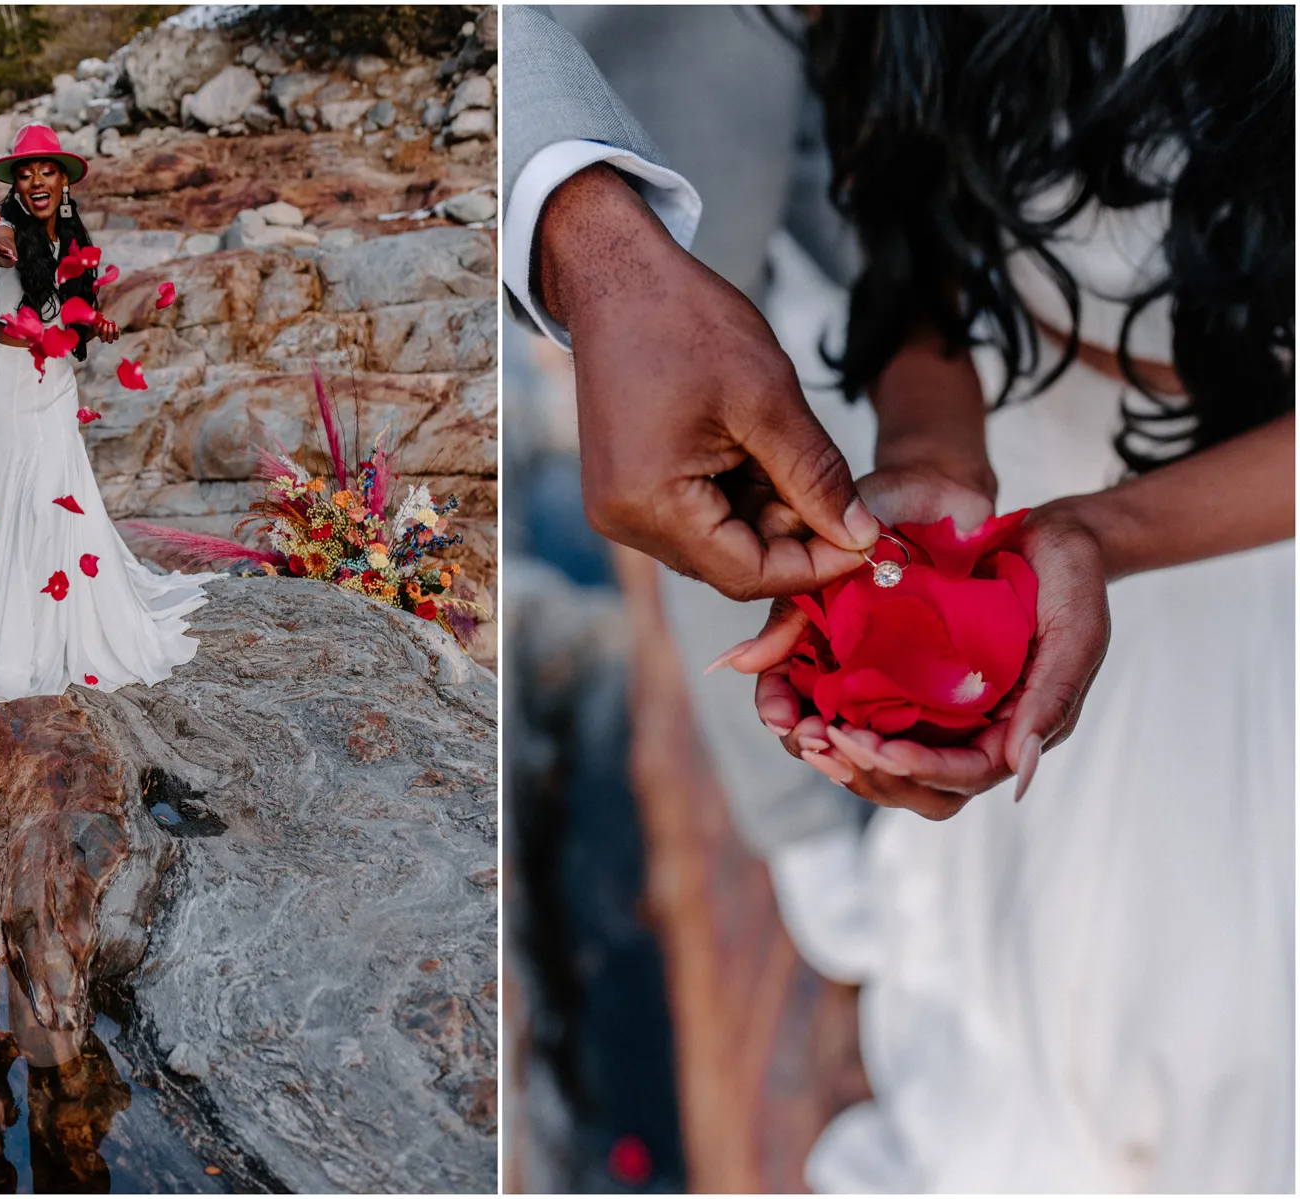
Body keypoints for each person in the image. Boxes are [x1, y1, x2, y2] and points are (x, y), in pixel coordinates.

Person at [506, 4, 1295, 1192]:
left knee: (1220, 1013)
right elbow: (909, 204)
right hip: (1010, 417)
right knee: (1038, 969)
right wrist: (934, 438)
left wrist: (1103, 530)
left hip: (1251, 508)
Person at [0, 123, 221, 702]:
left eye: (46, 171)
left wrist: (95, 323)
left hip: (55, 381)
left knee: (61, 488)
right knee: (21, 494)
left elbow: (70, 317)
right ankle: (18, 627)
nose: (35, 181)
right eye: (25, 173)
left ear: (63, 180)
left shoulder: (75, 244)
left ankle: (68, 620)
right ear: (16, 183)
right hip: (10, 382)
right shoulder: (7, 228)